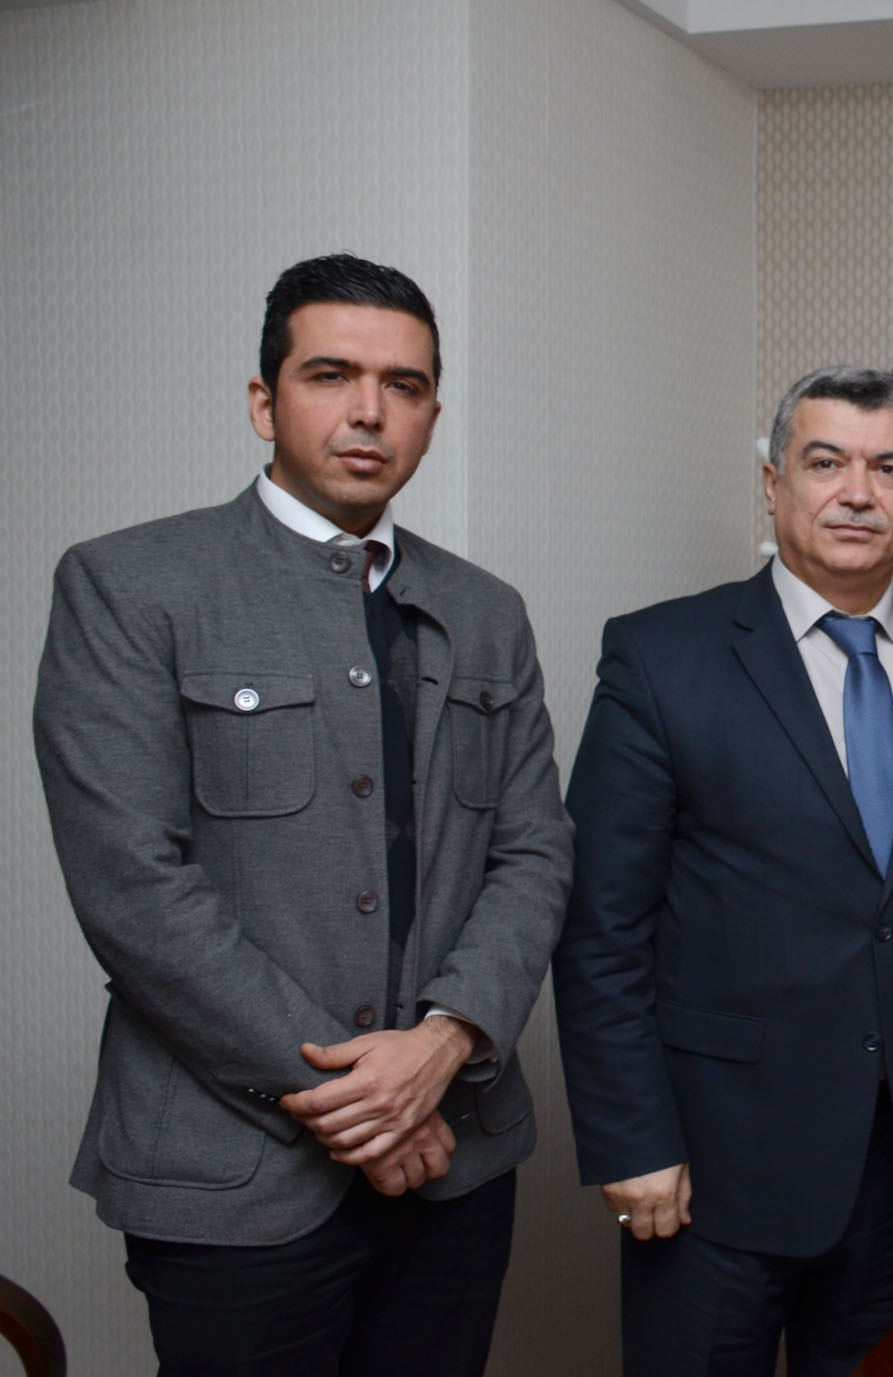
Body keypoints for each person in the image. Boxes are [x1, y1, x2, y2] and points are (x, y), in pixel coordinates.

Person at [31, 253, 574, 1376]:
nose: (370, 410)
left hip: (457, 1154)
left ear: (431, 416)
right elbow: (132, 886)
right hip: (231, 1176)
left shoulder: (486, 611)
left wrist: (443, 1043)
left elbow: (534, 851)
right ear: (263, 401)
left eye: (405, 385)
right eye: (331, 375)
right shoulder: (130, 585)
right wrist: (363, 1100)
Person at [552, 367, 893, 1377]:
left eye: (889, 468)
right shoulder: (662, 656)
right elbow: (600, 928)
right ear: (773, 482)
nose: (858, 493)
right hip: (712, 1167)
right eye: (826, 462)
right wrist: (629, 1138)